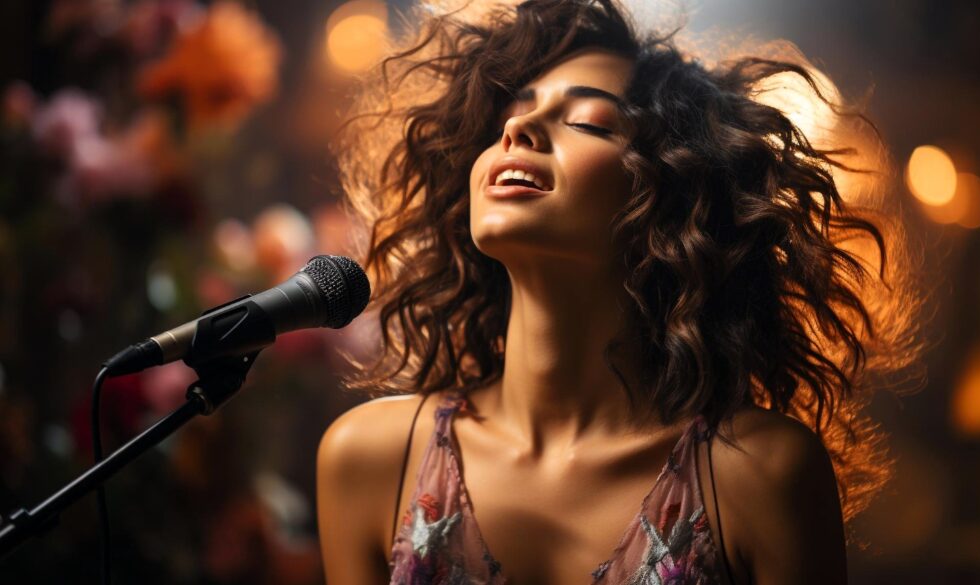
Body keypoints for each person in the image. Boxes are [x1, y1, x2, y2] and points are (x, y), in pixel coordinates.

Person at [317, 0, 925, 583]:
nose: (519, 127)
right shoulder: (368, 459)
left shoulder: (760, 477)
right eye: (511, 111)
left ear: (669, 196)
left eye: (587, 121)